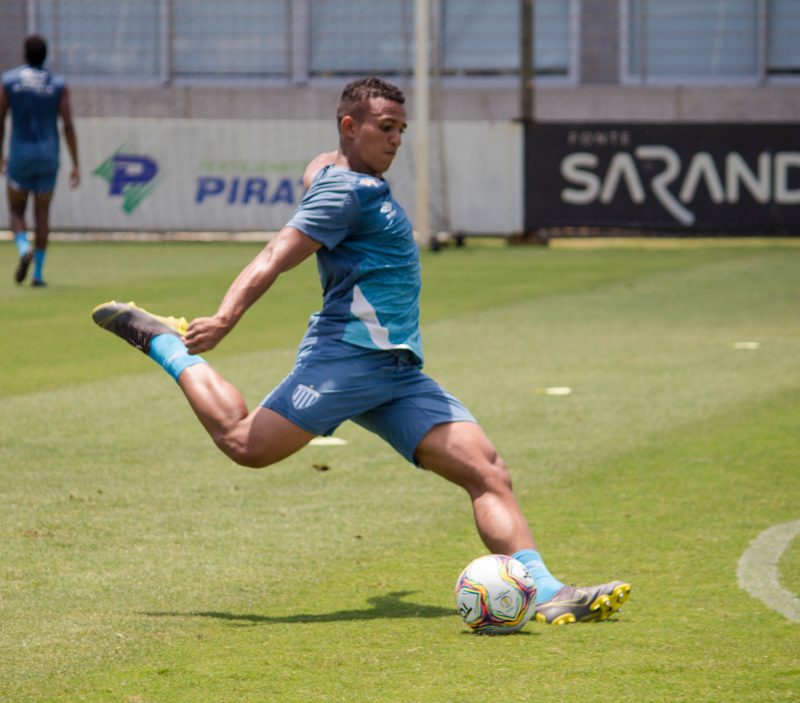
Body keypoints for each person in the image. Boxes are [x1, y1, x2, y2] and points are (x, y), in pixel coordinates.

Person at [92, 77, 630, 625]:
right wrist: (227, 316)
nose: (396, 140)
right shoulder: (344, 193)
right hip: (344, 360)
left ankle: (545, 591)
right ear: (351, 127)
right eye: (385, 128)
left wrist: (342, 154)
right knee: (243, 444)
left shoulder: (340, 174)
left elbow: (319, 162)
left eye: (401, 129)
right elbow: (276, 254)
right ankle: (164, 342)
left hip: (396, 371)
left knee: (488, 472)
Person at [0, 34, 80, 286]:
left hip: (20, 154)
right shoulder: (57, 84)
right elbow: (67, 124)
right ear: (46, 55)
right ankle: (38, 274)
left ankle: (24, 249)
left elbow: (0, 120)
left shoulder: (10, 81)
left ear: (24, 54)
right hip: (48, 155)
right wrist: (76, 163)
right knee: (42, 213)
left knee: (15, 210)